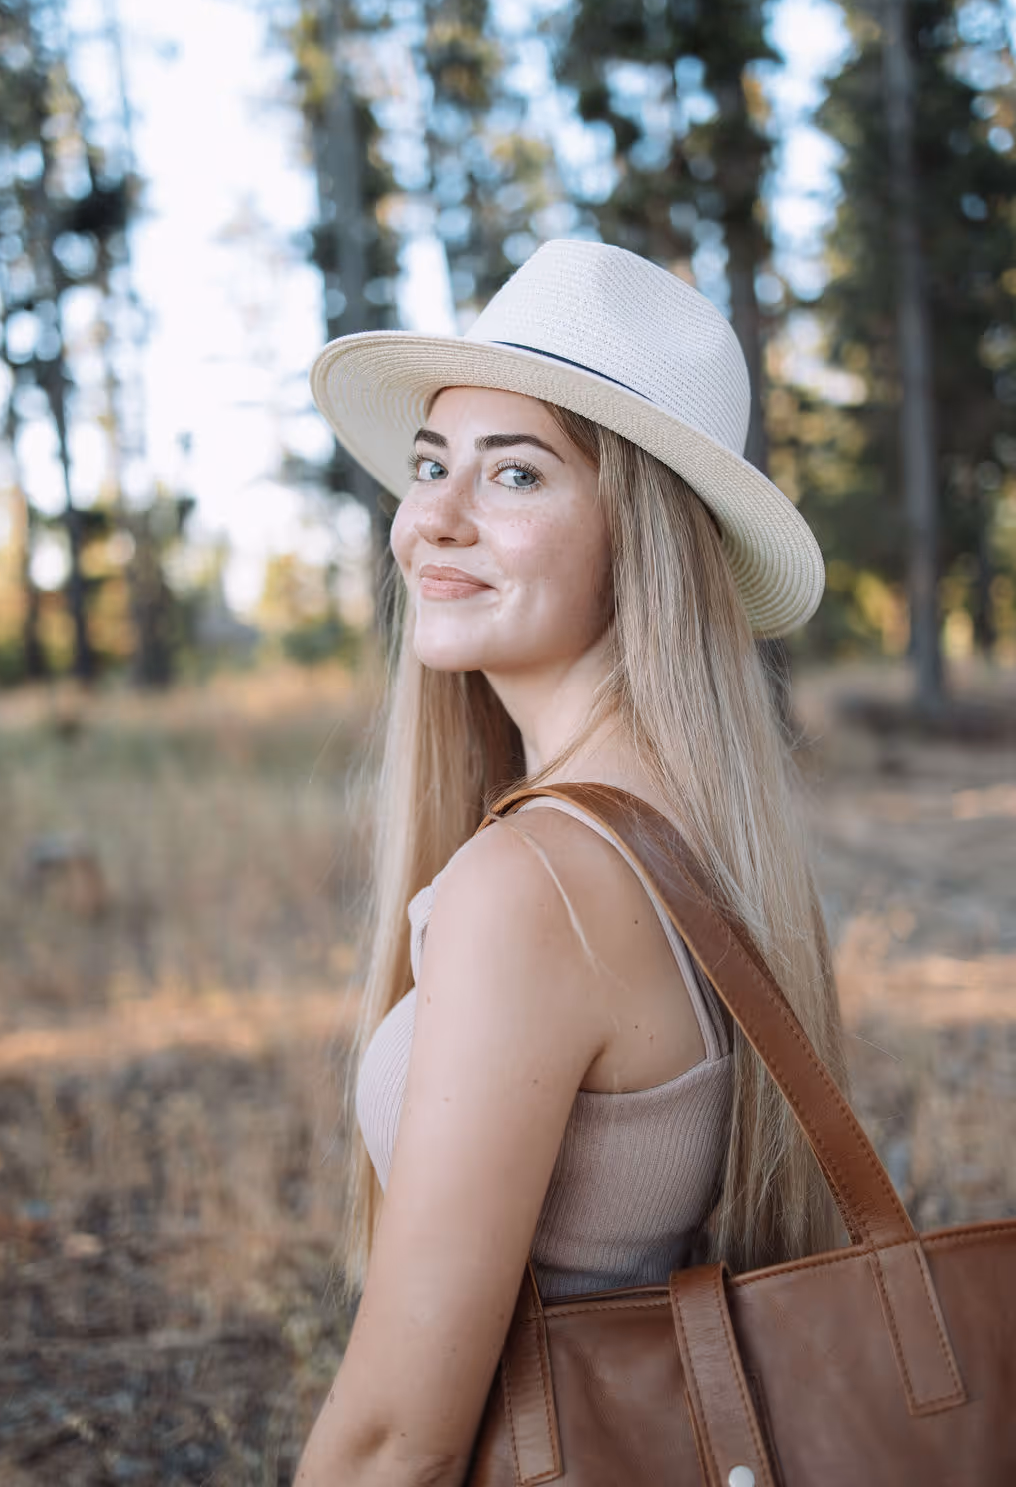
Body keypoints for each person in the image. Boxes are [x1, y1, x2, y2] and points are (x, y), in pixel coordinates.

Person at [294, 239, 849, 1486]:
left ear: (639, 536)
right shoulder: (701, 841)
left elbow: (396, 1440)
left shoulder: (534, 883)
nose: (431, 514)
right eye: (433, 462)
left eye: (517, 473)